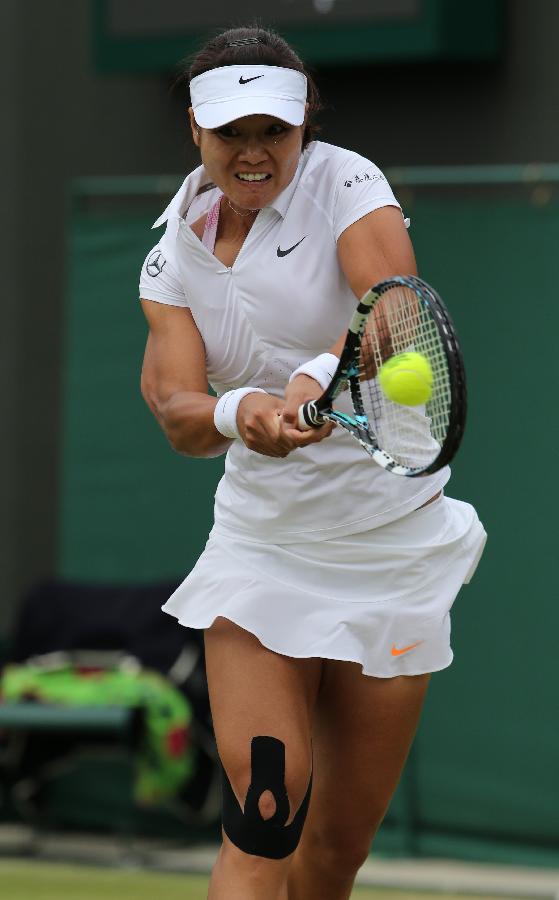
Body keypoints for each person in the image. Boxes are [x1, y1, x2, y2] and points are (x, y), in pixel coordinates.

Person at [139, 25, 486, 900]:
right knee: (265, 815)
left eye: (273, 132)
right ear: (195, 130)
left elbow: (392, 313)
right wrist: (237, 410)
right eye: (230, 134)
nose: (253, 154)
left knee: (333, 853)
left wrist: (303, 379)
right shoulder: (169, 251)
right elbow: (179, 417)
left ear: (305, 126)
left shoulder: (348, 182)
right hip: (264, 549)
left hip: (392, 551)